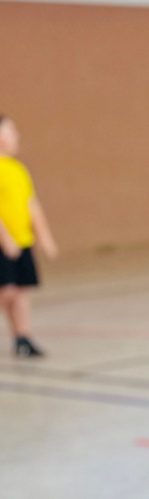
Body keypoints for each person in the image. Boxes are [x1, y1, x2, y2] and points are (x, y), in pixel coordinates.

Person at [0, 114, 59, 358]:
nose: (16, 136)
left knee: (23, 290)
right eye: (10, 131)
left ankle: (22, 339)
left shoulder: (19, 170)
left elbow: (32, 205)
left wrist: (45, 237)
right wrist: (5, 238)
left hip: (23, 240)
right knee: (7, 290)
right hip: (4, 243)